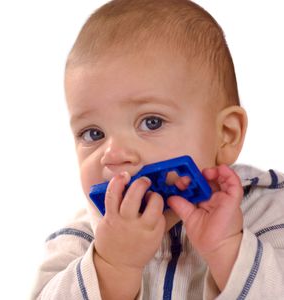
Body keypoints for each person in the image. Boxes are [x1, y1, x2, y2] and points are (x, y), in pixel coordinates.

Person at [31, 0, 284, 299]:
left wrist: (228, 249)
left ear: (226, 135)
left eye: (151, 122)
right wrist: (111, 266)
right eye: (93, 133)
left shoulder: (270, 211)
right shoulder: (81, 240)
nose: (113, 155)